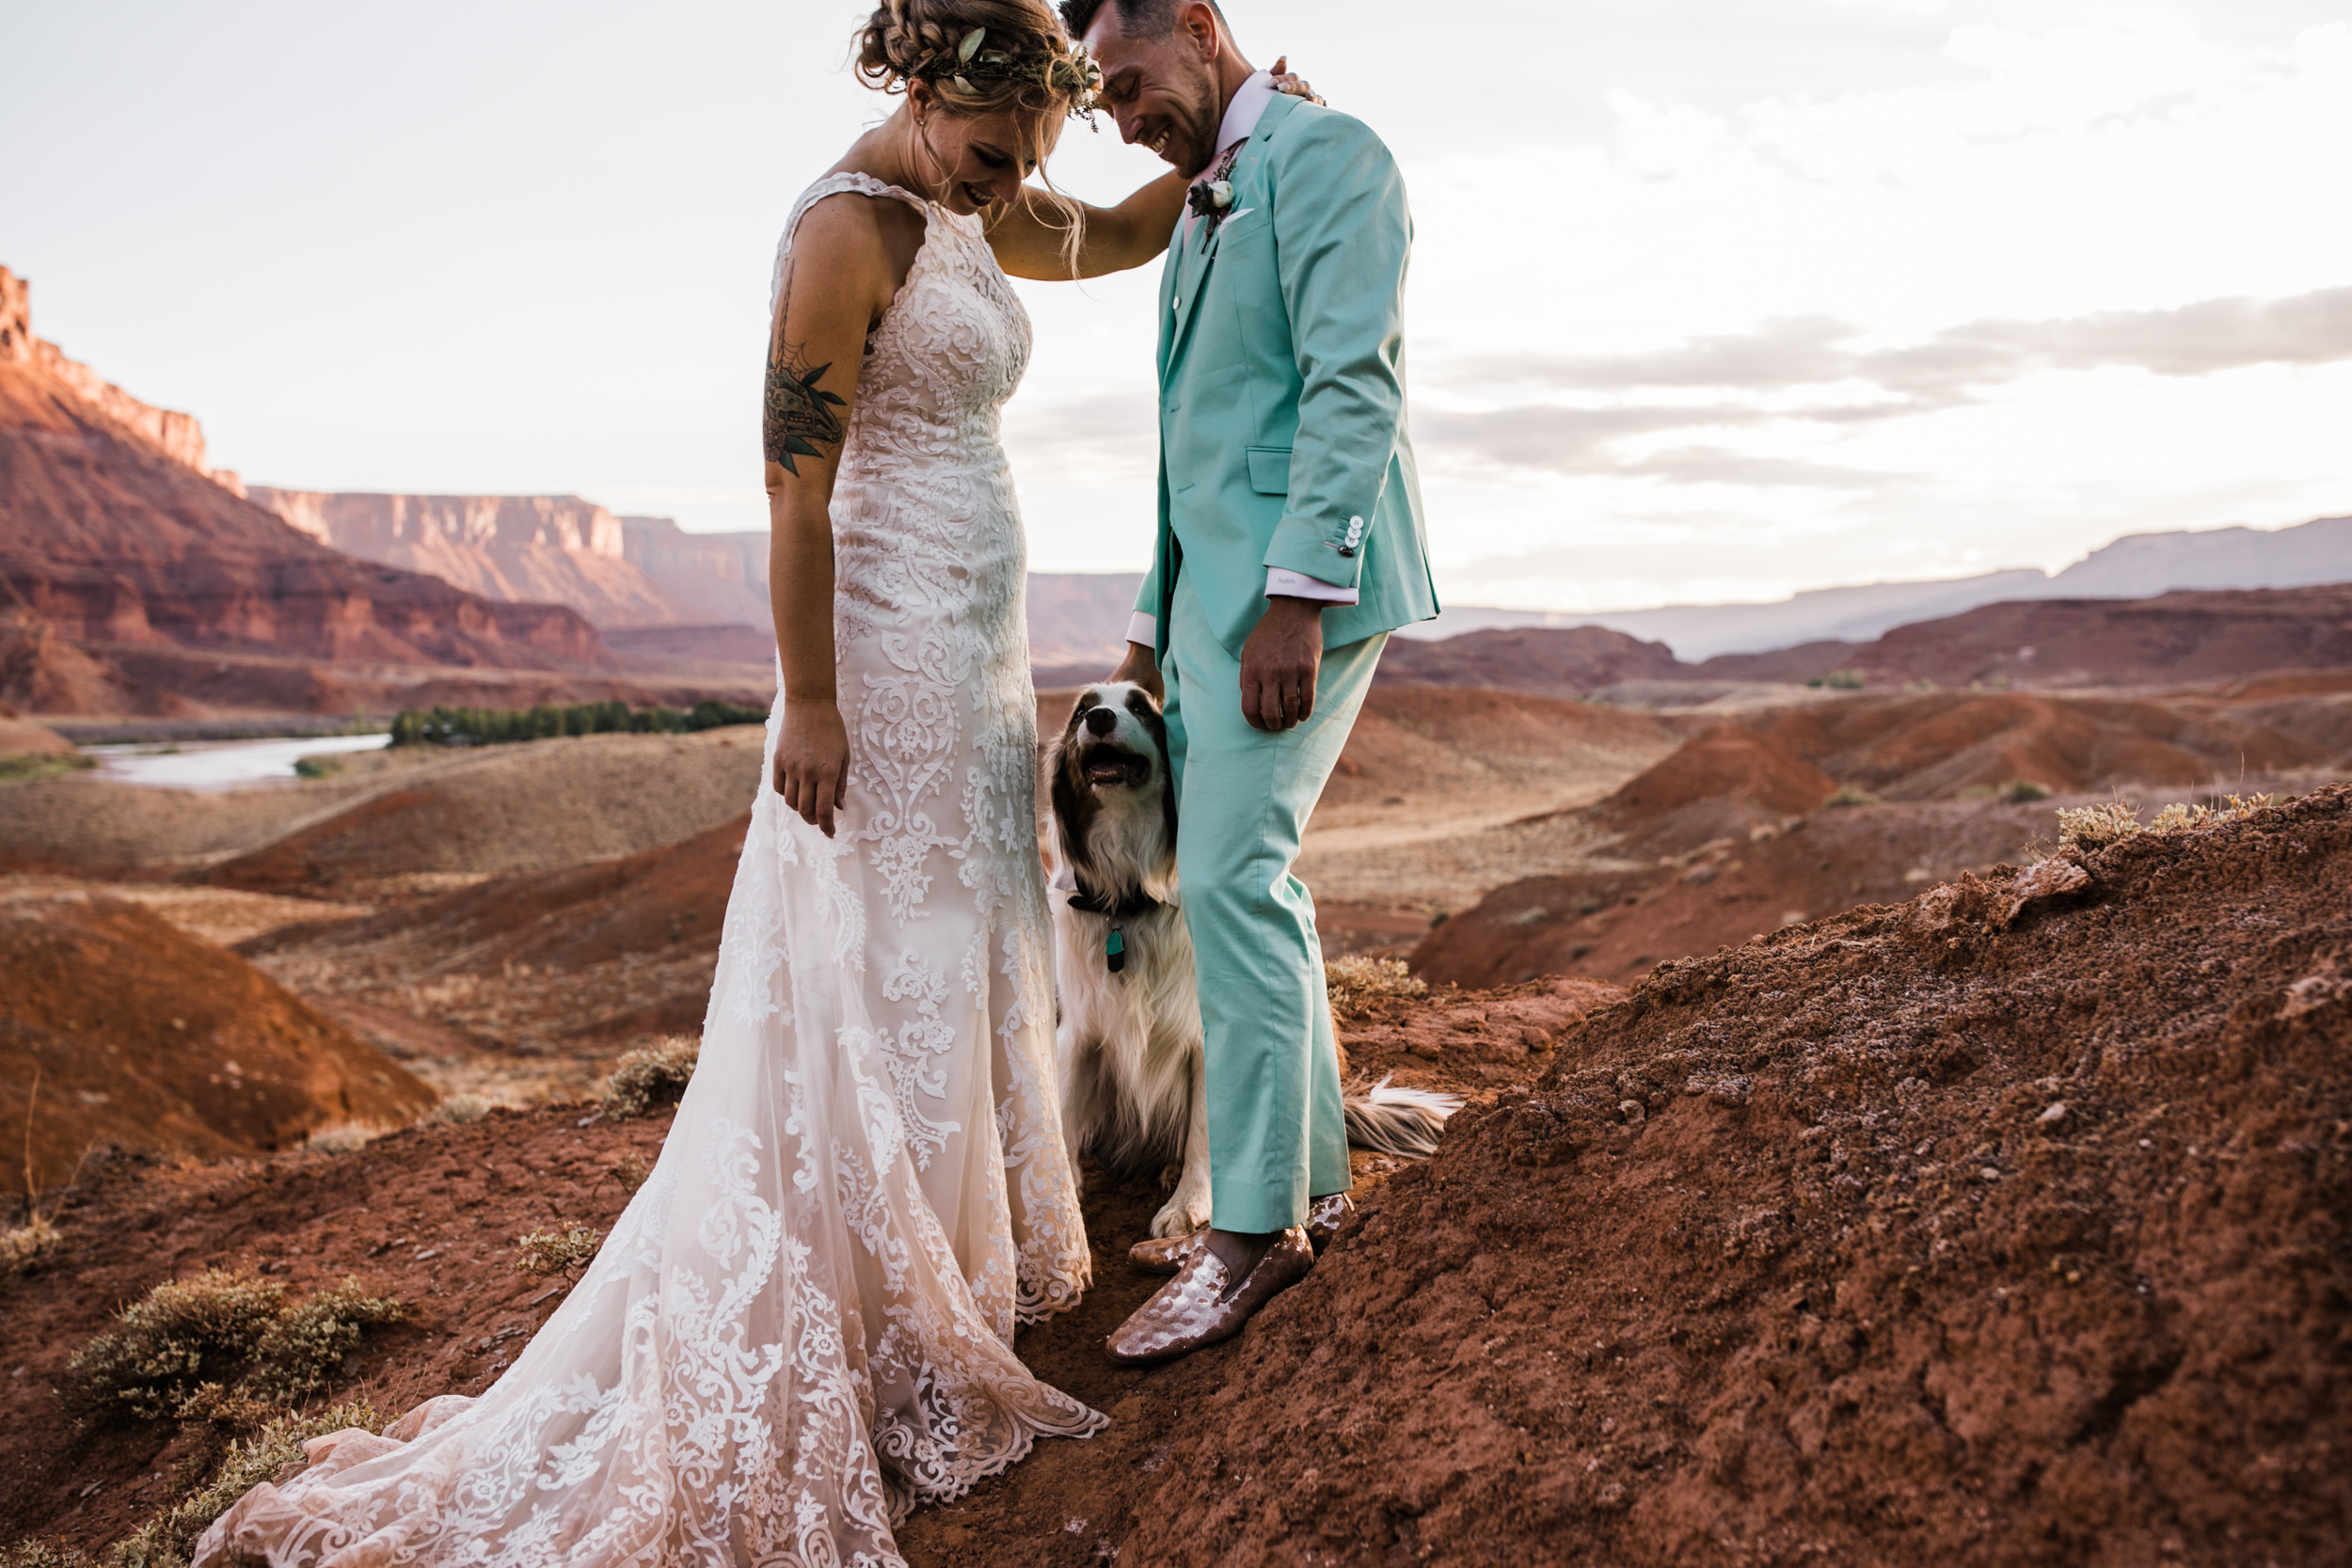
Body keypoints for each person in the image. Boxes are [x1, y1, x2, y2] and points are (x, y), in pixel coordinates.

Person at [195, 5, 1315, 1562]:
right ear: (924, 93)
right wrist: (811, 700)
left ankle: (948, 1271)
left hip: (981, 647)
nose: (1009, 189)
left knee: (971, 942)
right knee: (893, 959)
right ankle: (874, 1311)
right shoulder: (847, 233)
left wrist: (1248, 138)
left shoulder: (967, 196)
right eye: (992, 156)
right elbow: (792, 500)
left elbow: (1125, 229)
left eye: (1029, 160)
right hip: (881, 654)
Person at [1065, 0, 1441, 1364]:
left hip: (1301, 603)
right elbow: (1188, 453)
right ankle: (1321, 1191)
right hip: (1213, 611)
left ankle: (1247, 1238)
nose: (1119, 117)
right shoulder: (1199, 207)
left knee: (1226, 880)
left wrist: (1299, 597)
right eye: (1100, 98)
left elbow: (1356, 385)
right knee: (1251, 884)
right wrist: (1152, 631)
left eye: (1127, 81)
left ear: (1201, 26)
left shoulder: (1335, 159)